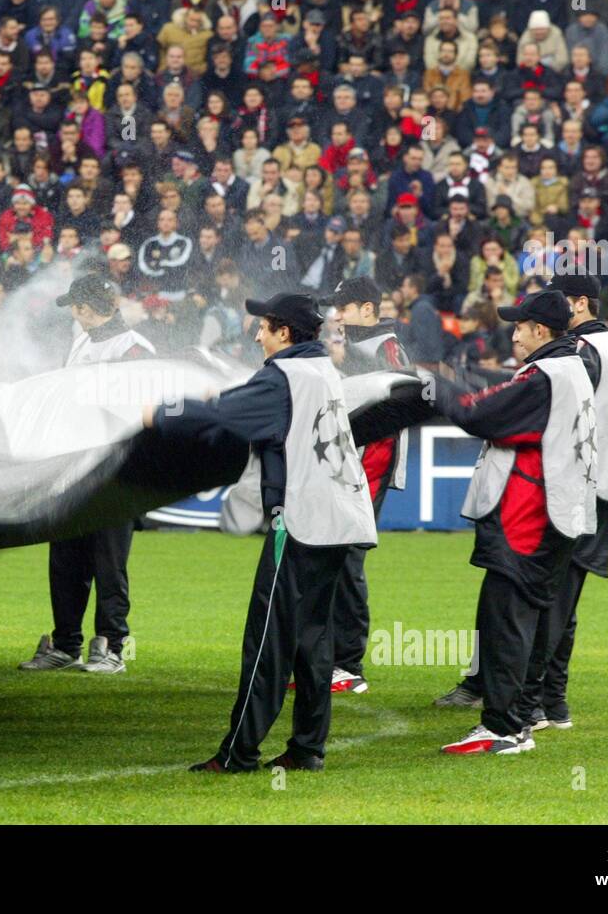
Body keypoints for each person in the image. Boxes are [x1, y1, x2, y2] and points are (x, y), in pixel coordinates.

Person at [145, 292, 377, 772]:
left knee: (268, 640)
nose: (256, 334)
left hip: (300, 523)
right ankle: (307, 749)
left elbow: (220, 415)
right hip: (341, 521)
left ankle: (238, 753)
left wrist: (158, 415)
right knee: (313, 642)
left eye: (264, 326)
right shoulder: (324, 370)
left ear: (285, 332)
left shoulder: (284, 376)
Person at [426, 291, 597, 755]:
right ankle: (519, 719)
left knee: (506, 622)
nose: (514, 332)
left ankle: (502, 728)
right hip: (557, 517)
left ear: (540, 330)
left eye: (520, 325)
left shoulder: (545, 375)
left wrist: (429, 384)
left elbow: (477, 412)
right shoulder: (572, 368)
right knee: (525, 621)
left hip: (526, 519)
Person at [517, 273, 608, 730]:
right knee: (564, 600)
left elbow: (554, 406)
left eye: (558, 299)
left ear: (579, 303)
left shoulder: (582, 351)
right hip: (603, 484)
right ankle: (552, 702)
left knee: (552, 598)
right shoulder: (603, 343)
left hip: (584, 487)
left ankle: (529, 707)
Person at [19, 275, 155, 674]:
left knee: (108, 564)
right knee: (65, 561)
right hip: (72, 470)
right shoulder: (82, 340)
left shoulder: (133, 348)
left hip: (115, 474)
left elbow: (138, 412)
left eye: (76, 307)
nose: (74, 315)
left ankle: (112, 647)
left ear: (86, 308)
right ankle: (66, 645)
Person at [317, 276, 409, 695]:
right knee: (337, 559)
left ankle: (348, 664)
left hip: (369, 468)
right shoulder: (370, 347)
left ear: (368, 310)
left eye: (345, 307)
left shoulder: (382, 349)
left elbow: (388, 417)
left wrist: (361, 478)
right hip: (358, 467)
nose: (338, 314)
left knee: (348, 559)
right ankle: (335, 660)